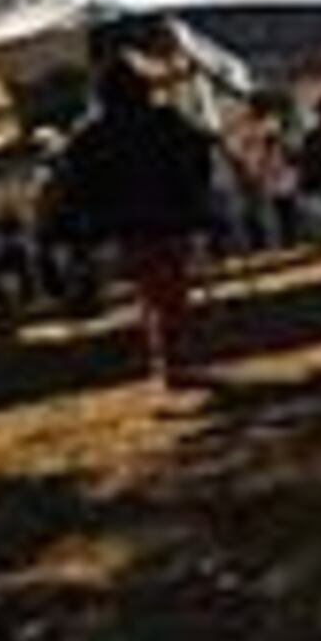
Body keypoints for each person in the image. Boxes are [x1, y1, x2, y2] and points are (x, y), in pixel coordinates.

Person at [55, 50, 219, 391]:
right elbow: (199, 150)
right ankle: (172, 360)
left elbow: (73, 180)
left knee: (152, 291)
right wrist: (196, 195)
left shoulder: (91, 134)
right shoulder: (164, 120)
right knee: (171, 290)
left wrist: (85, 221)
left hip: (126, 223)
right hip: (169, 215)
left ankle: (166, 360)